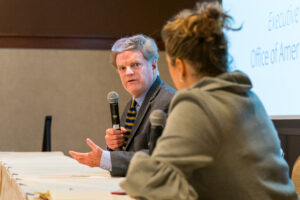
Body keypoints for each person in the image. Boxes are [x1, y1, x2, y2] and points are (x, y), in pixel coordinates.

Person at [120, 3, 299, 200]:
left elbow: (153, 184)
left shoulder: (196, 104)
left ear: (179, 66)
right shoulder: (249, 98)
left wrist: (140, 163)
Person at [69, 34, 176, 177]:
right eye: (122, 68)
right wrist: (114, 146)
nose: (128, 72)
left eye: (136, 65)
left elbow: (158, 158)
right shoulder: (133, 104)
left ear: (154, 65)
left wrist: (106, 159)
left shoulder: (168, 101)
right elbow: (130, 152)